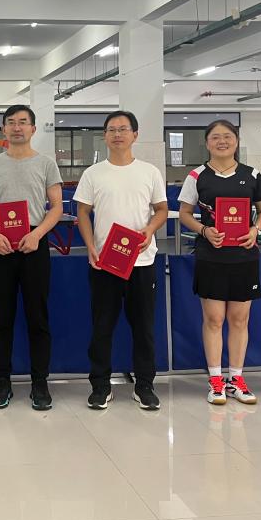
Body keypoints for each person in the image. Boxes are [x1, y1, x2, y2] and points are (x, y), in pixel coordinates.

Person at [74, 111, 167, 411]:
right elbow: (82, 213)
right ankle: (101, 386)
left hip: (142, 262)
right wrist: (90, 246)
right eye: (112, 129)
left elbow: (161, 209)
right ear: (104, 135)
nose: (117, 134)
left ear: (135, 135)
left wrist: (149, 230)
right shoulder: (93, 174)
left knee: (144, 328)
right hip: (104, 263)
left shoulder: (149, 172)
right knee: (102, 327)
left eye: (123, 129)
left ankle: (145, 386)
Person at [0, 104, 63, 410]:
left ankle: (40, 383)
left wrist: (38, 235)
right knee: (2, 318)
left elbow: (56, 207)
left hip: (34, 243)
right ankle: (2, 381)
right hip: (0, 244)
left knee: (38, 317)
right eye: (11, 122)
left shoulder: (46, 164)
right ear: (3, 129)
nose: (17, 127)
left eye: (23, 122)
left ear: (33, 129)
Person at [178, 120, 261, 405]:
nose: (222, 141)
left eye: (227, 136)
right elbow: (184, 214)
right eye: (215, 137)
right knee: (214, 319)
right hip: (211, 256)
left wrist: (255, 230)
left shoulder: (252, 174)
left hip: (244, 257)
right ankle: (216, 380)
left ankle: (236, 379)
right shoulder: (196, 176)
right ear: (207, 143)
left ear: (236, 141)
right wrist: (204, 230)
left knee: (240, 319)